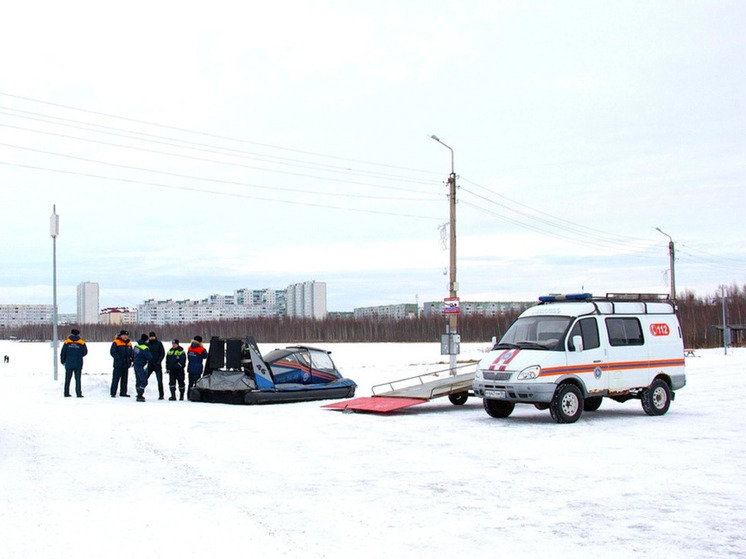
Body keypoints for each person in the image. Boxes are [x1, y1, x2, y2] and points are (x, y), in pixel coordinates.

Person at [60, 328, 88, 398]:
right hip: (78, 363)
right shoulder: (81, 342)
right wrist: (79, 355)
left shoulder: (67, 342)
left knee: (67, 379)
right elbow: (85, 352)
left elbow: (63, 352)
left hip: (69, 363)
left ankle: (66, 393)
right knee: (78, 379)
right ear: (78, 334)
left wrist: (63, 361)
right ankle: (78, 393)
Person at [110, 330, 133, 397]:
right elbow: (113, 352)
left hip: (126, 364)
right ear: (121, 336)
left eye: (126, 335)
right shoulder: (116, 342)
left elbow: (131, 353)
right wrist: (118, 359)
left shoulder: (129, 343)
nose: (125, 336)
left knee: (125, 380)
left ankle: (123, 392)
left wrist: (130, 360)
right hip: (118, 365)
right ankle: (113, 393)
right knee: (115, 379)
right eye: (124, 335)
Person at [133, 333, 153, 402]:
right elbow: (150, 357)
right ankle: (139, 395)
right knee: (144, 381)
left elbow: (133, 354)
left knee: (138, 380)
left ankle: (138, 392)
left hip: (135, 364)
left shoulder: (136, 345)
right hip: (140, 365)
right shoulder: (144, 348)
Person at [146, 331, 166, 400]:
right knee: (144, 379)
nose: (152, 338)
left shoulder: (159, 343)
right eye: (151, 336)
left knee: (160, 381)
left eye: (153, 336)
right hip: (150, 364)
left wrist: (159, 361)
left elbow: (162, 353)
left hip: (157, 365)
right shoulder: (147, 344)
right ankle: (140, 392)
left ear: (155, 336)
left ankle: (161, 395)